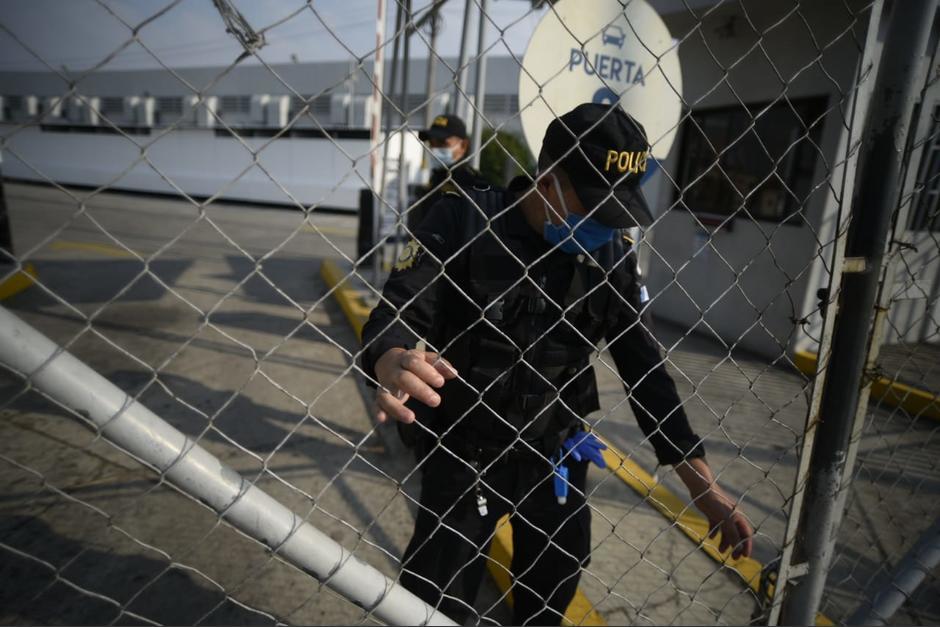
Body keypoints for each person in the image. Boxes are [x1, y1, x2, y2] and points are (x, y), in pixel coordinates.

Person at [360, 103, 754, 625]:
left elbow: (646, 373)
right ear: (548, 183)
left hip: (554, 455)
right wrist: (390, 356)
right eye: (596, 209)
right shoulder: (464, 221)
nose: (605, 227)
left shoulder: (610, 254)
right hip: (466, 452)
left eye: (617, 212)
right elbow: (398, 311)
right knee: (436, 602)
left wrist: (701, 484)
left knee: (551, 593)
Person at [410, 113, 489, 230]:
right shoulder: (436, 177)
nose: (434, 149)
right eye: (431, 143)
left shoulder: (471, 182)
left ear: (463, 145)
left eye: (442, 143)